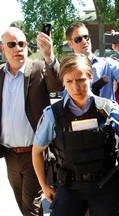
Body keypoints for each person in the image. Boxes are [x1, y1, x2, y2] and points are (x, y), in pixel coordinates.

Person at [32, 53, 119, 216]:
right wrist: (44, 185)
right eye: (69, 81)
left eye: (81, 80)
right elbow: (37, 151)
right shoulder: (53, 115)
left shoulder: (109, 110)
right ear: (63, 82)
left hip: (105, 186)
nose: (76, 87)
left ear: (90, 77)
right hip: (70, 188)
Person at [0, 27, 63, 215]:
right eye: (12, 44)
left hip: (34, 153)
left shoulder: (38, 68)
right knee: (22, 203)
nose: (18, 48)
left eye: (22, 43)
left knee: (31, 207)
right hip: (10, 154)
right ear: (3, 48)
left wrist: (49, 56)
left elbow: (57, 86)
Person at [66, 22, 119, 100]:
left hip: (105, 111)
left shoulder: (107, 64)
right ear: (70, 43)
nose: (84, 41)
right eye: (78, 39)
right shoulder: (67, 70)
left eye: (86, 37)